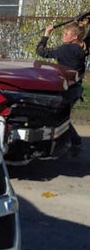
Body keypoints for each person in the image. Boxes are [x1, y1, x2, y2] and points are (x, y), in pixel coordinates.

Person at [36, 21, 87, 156]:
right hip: (76, 88)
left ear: (74, 36)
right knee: (61, 116)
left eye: (66, 33)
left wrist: (46, 34)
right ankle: (73, 142)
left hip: (67, 89)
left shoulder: (66, 49)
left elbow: (41, 51)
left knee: (57, 117)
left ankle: (74, 143)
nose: (63, 35)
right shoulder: (82, 47)